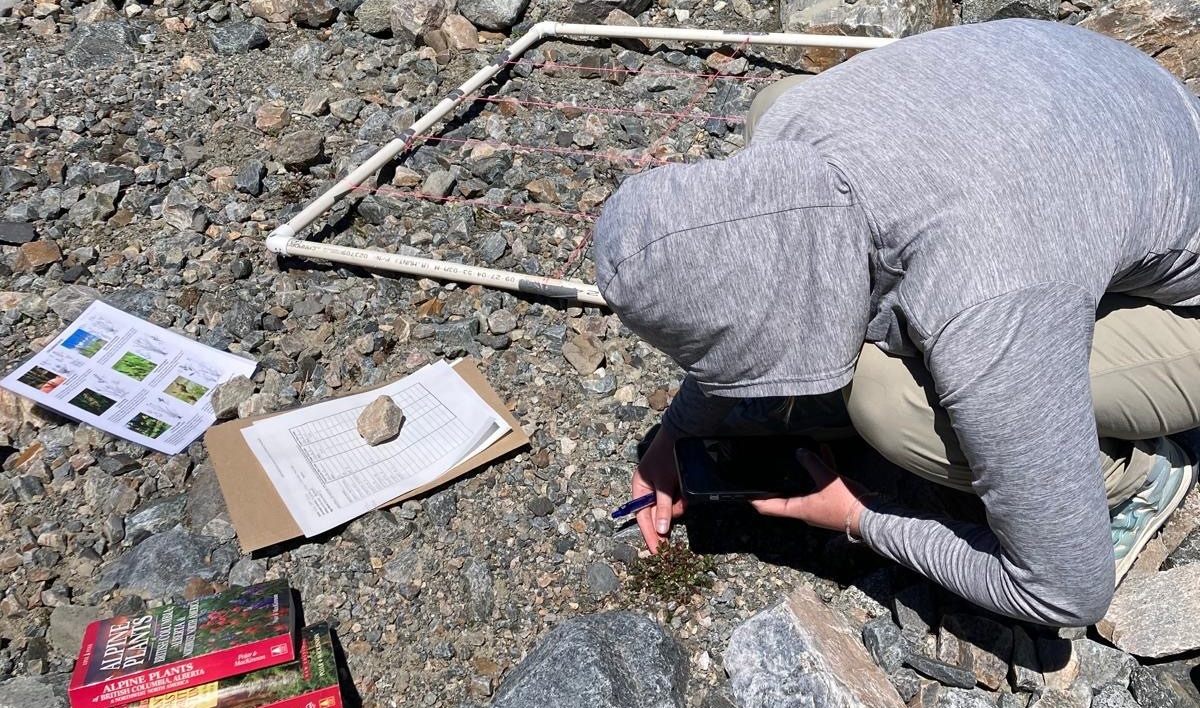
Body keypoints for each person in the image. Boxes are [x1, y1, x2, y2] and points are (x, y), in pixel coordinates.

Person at [592, 18, 1200, 627]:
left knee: (889, 403)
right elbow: (747, 270)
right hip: (1114, 111)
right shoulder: (796, 122)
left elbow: (1065, 592)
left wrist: (859, 518)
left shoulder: (983, 301)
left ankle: (1136, 476)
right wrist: (676, 432)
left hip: (1168, 288)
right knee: (769, 103)